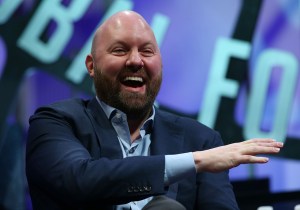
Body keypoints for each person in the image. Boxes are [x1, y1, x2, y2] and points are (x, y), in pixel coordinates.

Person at [26, 10, 283, 210]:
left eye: (147, 51)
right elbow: (80, 181)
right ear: (91, 66)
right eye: (120, 50)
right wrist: (195, 161)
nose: (136, 61)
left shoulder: (201, 139)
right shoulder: (56, 122)